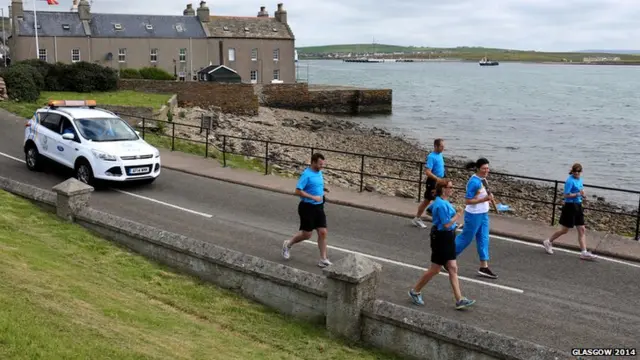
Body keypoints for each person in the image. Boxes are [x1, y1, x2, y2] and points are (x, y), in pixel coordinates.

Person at [408, 180, 476, 310]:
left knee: (452, 267)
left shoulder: (440, 202)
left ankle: (459, 299)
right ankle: (415, 291)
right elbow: (445, 225)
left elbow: (429, 211)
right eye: (450, 187)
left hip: (447, 237)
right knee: (435, 269)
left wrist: (452, 223)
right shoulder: (441, 204)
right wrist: (457, 215)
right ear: (443, 189)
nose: (452, 189)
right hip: (442, 238)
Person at [446, 158, 498, 279]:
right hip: (473, 215)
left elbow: (482, 195)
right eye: (484, 168)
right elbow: (468, 201)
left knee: (484, 239)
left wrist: (488, 199)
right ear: (478, 168)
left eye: (488, 168)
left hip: (483, 214)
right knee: (466, 238)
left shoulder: (483, 180)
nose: (486, 170)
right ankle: (447, 258)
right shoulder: (474, 182)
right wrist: (484, 199)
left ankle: (483, 266)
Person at [282, 153, 332, 268]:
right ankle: (288, 244)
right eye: (320, 164)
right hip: (307, 207)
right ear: (313, 162)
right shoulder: (306, 174)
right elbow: (298, 191)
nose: (322, 166)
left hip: (319, 207)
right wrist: (313, 197)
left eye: (323, 164)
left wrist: (322, 189)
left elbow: (314, 185)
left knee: (323, 232)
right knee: (307, 234)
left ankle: (323, 259)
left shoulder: (319, 172)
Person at [543, 163, 596, 260]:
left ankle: (583, 252)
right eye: (575, 171)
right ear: (572, 171)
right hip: (570, 206)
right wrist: (577, 194)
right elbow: (566, 195)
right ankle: (548, 241)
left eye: (578, 171)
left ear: (581, 172)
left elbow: (580, 190)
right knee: (565, 230)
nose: (576, 173)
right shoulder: (569, 181)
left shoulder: (580, 179)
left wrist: (583, 194)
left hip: (578, 206)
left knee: (582, 229)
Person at [412, 138, 447, 228]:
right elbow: (427, 172)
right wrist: (437, 179)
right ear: (436, 146)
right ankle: (417, 218)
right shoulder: (431, 157)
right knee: (427, 201)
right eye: (441, 146)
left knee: (441, 199)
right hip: (433, 182)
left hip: (440, 180)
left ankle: (436, 216)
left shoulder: (440, 155)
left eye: (443, 146)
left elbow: (440, 167)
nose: (443, 148)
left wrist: (444, 178)